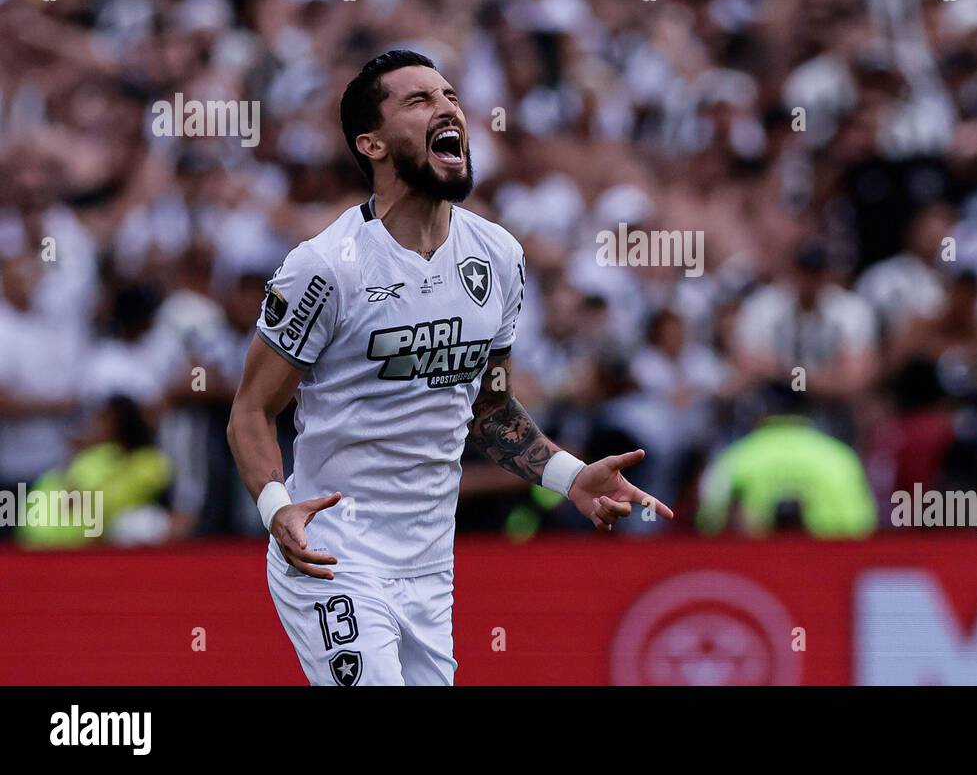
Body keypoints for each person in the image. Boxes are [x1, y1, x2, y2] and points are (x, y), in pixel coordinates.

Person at [227, 50, 673, 686]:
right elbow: (251, 408)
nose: (447, 109)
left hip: (430, 567)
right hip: (334, 555)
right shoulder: (326, 268)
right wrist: (276, 508)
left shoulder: (497, 256)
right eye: (418, 100)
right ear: (371, 144)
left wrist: (570, 477)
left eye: (451, 97)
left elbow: (488, 408)